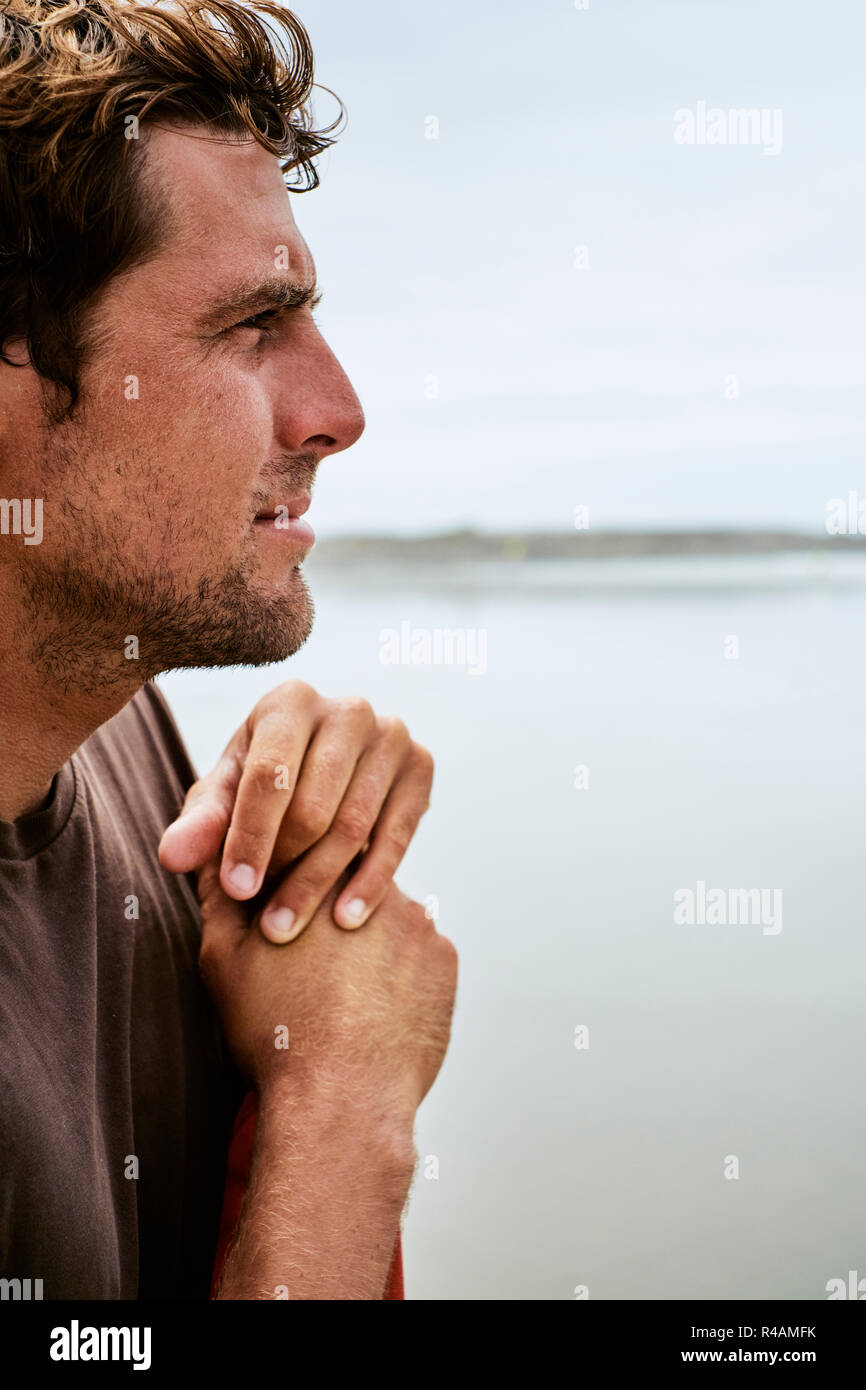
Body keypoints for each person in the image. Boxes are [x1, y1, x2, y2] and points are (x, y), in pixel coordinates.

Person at [0, 0, 457, 1300]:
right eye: (254, 324)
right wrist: (341, 1106)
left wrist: (285, 812)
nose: (339, 412)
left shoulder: (111, 714)